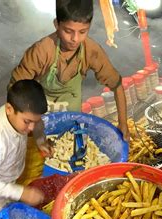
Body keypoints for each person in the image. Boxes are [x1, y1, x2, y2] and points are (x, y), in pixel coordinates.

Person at [8, 0, 129, 140]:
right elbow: (14, 91)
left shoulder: (91, 51)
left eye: (83, 32)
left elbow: (117, 85)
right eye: (68, 31)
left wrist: (123, 123)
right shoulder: (41, 52)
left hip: (73, 127)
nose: (75, 39)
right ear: (56, 24)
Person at [0, 80, 47, 219]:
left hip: (9, 182)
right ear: (9, 109)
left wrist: (41, 141)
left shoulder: (19, 113)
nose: (32, 127)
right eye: (27, 121)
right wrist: (21, 193)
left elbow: (37, 123)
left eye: (35, 120)